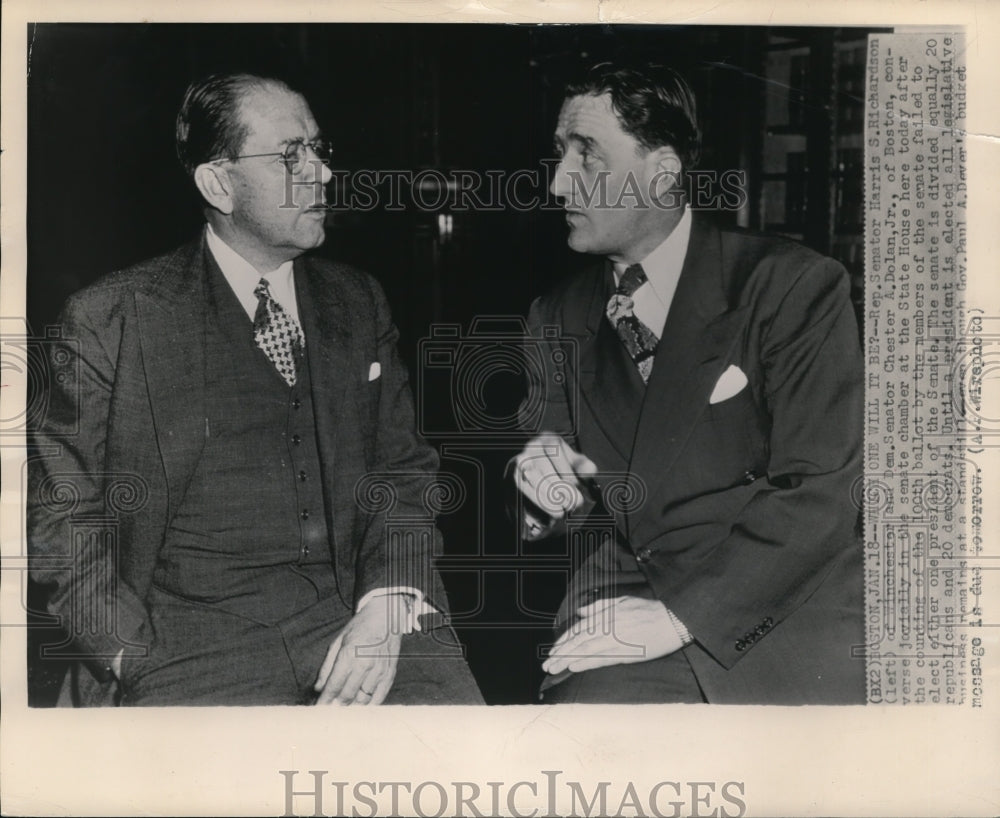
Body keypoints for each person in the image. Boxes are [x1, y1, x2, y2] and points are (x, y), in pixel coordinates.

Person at [28, 72, 482, 707]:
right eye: (290, 156)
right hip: (187, 646)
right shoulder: (113, 318)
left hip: (357, 611)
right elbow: (59, 514)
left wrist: (387, 605)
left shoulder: (356, 300)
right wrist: (126, 651)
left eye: (319, 151)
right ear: (218, 183)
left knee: (470, 758)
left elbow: (403, 470)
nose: (321, 174)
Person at [512, 62, 865, 704]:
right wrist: (548, 494)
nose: (559, 182)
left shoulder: (791, 286)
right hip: (627, 596)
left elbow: (823, 490)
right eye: (558, 155)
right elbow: (570, 514)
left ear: (663, 172)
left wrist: (684, 616)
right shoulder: (554, 316)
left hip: (781, 606)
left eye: (586, 156)